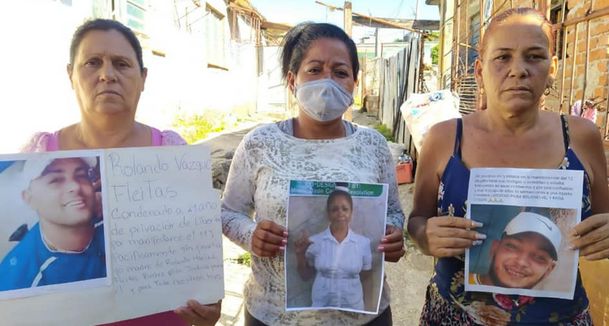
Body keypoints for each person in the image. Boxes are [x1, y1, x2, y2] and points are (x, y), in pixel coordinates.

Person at [407, 7, 609, 325]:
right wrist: (424, 237)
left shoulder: (581, 137)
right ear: (479, 70)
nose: (518, 70)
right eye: (502, 57)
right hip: (453, 316)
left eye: (534, 56)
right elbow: (418, 219)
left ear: (553, 67)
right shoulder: (445, 138)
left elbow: (601, 219)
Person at [21, 19, 220, 326]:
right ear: (70, 75)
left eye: (121, 63)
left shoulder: (172, 152)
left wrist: (206, 299)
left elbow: (196, 254)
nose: (107, 75)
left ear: (142, 78)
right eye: (92, 62)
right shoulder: (40, 152)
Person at [221, 22, 405, 326]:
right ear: (293, 81)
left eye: (340, 72)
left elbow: (395, 213)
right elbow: (228, 212)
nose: (327, 81)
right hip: (273, 315)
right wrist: (251, 234)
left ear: (354, 84)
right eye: (315, 69)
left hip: (363, 316)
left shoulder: (373, 145)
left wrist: (392, 235)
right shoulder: (260, 143)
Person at [0, 157, 104, 292]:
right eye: (55, 180)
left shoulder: (112, 215)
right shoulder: (21, 282)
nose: (76, 186)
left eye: (81, 175)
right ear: (29, 199)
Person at [294, 185, 373, 311]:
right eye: (334, 209)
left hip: (353, 312)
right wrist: (300, 255)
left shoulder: (363, 243)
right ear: (328, 213)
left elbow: (366, 277)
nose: (340, 213)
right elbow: (305, 277)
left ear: (351, 212)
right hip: (322, 311)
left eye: (345, 209)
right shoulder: (314, 242)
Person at [468, 212, 561, 289]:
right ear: (495, 248)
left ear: (549, 270)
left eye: (539, 257)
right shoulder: (460, 284)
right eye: (513, 247)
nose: (521, 262)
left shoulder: (546, 308)